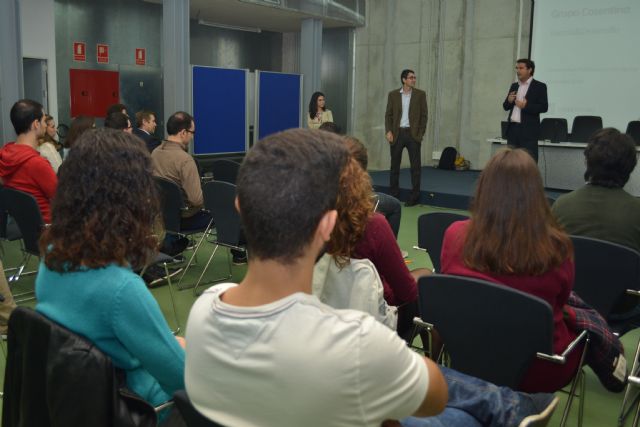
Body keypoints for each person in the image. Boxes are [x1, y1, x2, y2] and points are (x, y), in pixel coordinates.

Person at [184, 129, 557, 427]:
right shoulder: (355, 340)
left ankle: (510, 406)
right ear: (328, 224)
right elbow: (436, 394)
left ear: (239, 207)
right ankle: (511, 407)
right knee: (460, 416)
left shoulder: (205, 309)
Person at [440, 148, 625, 393]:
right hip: (540, 368)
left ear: (483, 188)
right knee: (583, 321)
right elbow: (560, 303)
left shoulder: (454, 234)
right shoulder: (556, 249)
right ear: (535, 194)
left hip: (470, 354)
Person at [35, 128, 185, 410]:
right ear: (133, 199)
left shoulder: (52, 257)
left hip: (80, 400)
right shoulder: (121, 290)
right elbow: (183, 381)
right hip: (139, 406)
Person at [326, 136, 424, 339]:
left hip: (325, 316)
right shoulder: (374, 225)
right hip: (373, 320)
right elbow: (407, 293)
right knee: (426, 282)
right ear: (363, 177)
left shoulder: (310, 222)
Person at [552, 128, 640, 253]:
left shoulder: (561, 205)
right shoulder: (637, 211)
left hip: (576, 273)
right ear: (630, 166)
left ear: (587, 162)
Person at [0, 99, 57, 223]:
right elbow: (63, 200)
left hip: (25, 228)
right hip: (51, 230)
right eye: (43, 121)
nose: (45, 125)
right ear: (36, 124)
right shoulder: (37, 164)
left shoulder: (4, 155)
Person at [385, 69, 428, 207]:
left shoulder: (420, 95)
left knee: (415, 168)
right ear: (404, 80)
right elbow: (388, 115)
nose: (414, 80)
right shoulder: (393, 95)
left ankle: (414, 197)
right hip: (397, 134)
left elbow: (424, 116)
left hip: (413, 135)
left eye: (414, 77)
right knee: (394, 167)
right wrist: (389, 131)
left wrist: (420, 134)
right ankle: (393, 196)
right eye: (411, 78)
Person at [502, 58, 548, 163]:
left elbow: (544, 107)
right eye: (517, 68)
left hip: (529, 131)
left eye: (521, 68)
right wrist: (509, 101)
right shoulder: (514, 86)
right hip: (513, 130)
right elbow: (505, 106)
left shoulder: (540, 86)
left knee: (528, 162)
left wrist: (525, 106)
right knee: (510, 162)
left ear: (530, 70)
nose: (518, 71)